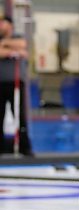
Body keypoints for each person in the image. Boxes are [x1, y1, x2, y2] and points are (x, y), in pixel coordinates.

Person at [0, 16, 33, 156]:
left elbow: (22, 46)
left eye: (3, 23)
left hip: (16, 83)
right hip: (1, 83)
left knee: (20, 116)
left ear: (10, 25)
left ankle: (24, 147)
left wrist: (5, 45)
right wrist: (11, 51)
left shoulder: (18, 36)